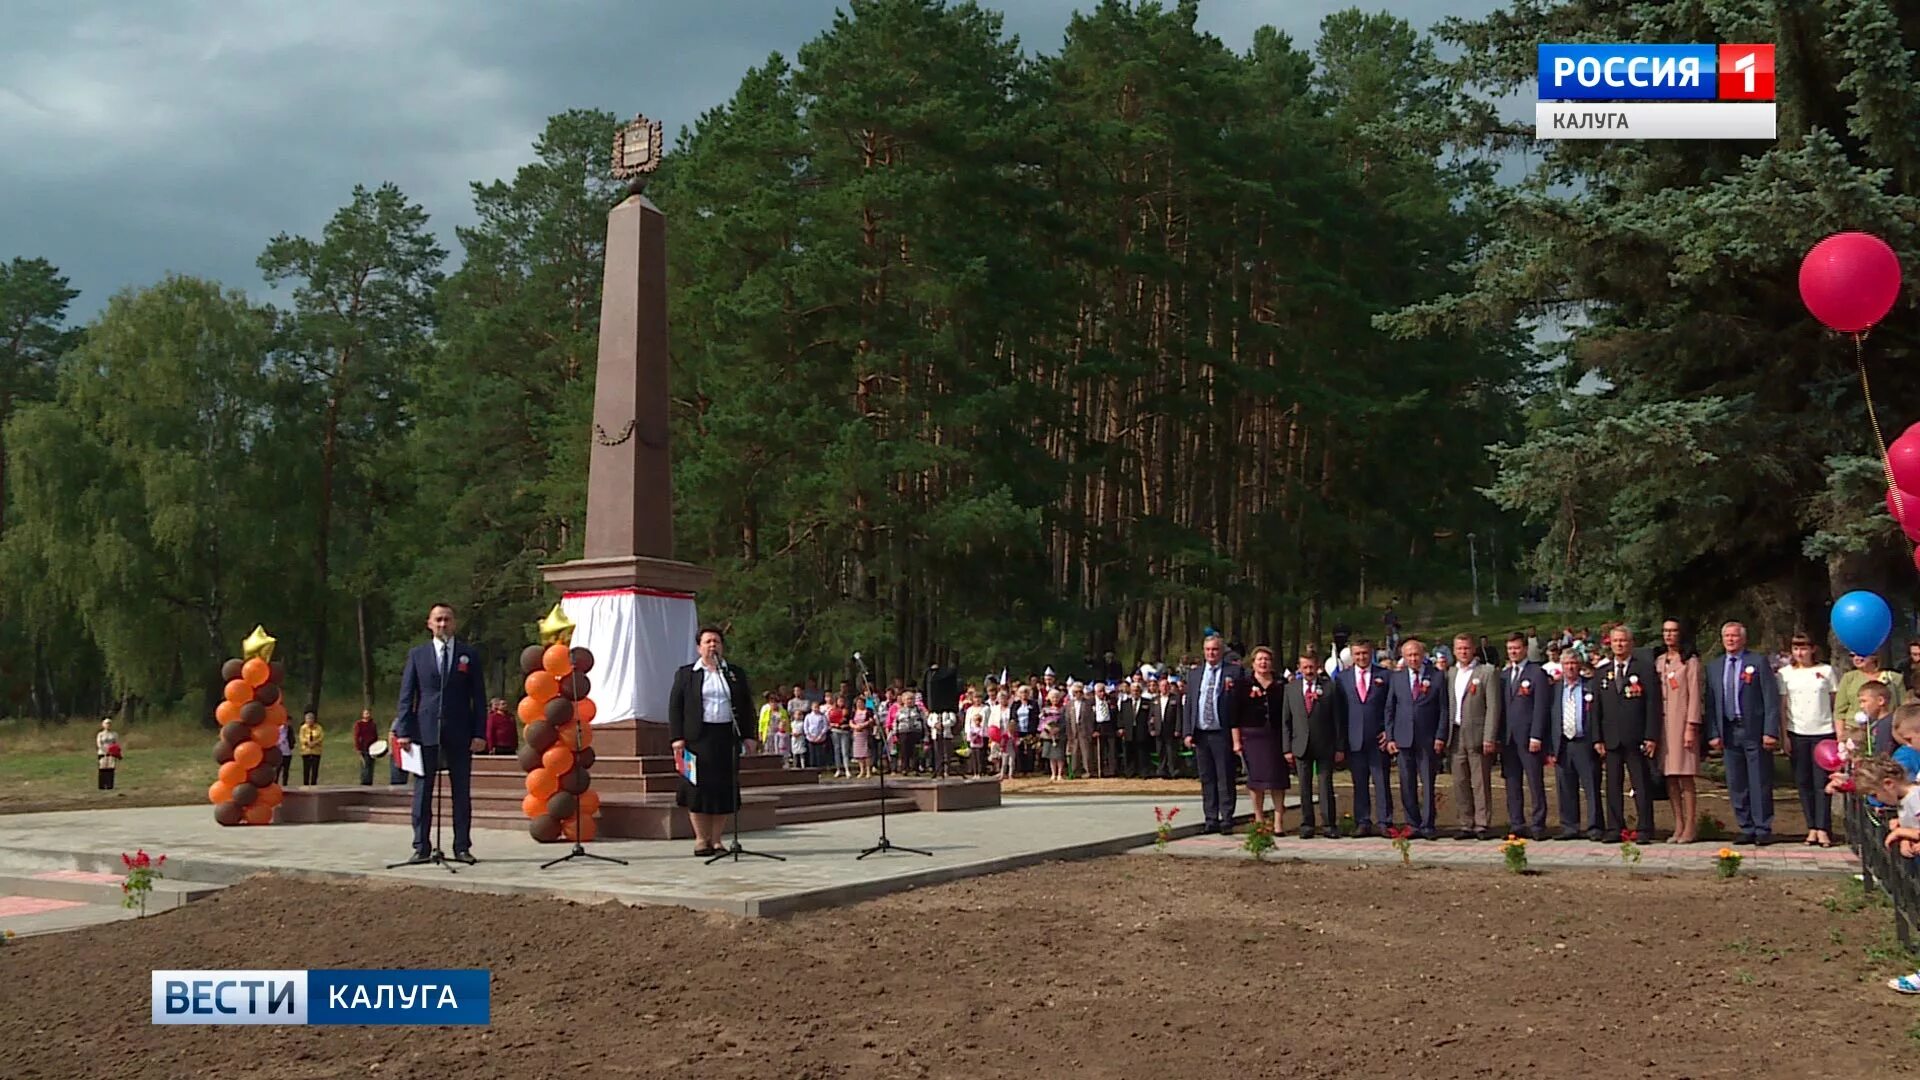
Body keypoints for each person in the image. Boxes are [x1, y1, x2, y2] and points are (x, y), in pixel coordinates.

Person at [392, 602, 489, 864]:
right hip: (425, 732)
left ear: (454, 623)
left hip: (460, 731)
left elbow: (479, 698)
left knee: (461, 791)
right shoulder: (417, 655)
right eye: (438, 620)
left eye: (447, 619)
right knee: (423, 792)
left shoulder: (468, 655)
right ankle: (422, 845)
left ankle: (462, 847)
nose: (443, 624)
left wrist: (479, 732)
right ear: (429, 624)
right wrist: (404, 731)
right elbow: (407, 696)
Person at [667, 626, 759, 857]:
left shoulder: (734, 673)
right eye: (707, 642)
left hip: (726, 737)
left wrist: (749, 736)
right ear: (699, 647)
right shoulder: (687, 674)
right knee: (697, 788)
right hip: (696, 739)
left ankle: (717, 840)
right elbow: (675, 707)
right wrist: (677, 738)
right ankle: (701, 839)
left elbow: (747, 706)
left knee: (723, 789)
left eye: (716, 641)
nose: (712, 645)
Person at [1703, 620, 1781, 845]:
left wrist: (1770, 731)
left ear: (1743, 638)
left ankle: (1763, 827)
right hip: (1728, 730)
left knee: (1759, 780)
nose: (1730, 639)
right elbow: (1711, 702)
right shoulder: (1715, 666)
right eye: (1727, 636)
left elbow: (1770, 699)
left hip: (1753, 730)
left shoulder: (1757, 662)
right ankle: (1745, 827)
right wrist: (1714, 733)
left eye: (1735, 636)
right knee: (1736, 782)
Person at [1593, 625, 1661, 844]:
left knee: (1640, 784)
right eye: (1615, 641)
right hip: (1611, 738)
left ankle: (1644, 828)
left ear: (1631, 643)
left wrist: (1651, 736)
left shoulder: (1644, 669)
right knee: (1612, 785)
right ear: (1610, 644)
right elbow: (1596, 709)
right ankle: (1614, 828)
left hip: (1636, 736)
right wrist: (1597, 738)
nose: (1619, 645)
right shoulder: (1602, 672)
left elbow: (1653, 704)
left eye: (1623, 641)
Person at [1777, 631, 1838, 847]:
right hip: (1797, 732)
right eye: (1796, 648)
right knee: (1803, 782)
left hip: (1823, 732)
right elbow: (1783, 707)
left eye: (1804, 648)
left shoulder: (1826, 671)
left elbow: (1834, 702)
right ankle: (1811, 826)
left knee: (1821, 782)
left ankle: (1823, 828)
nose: (1800, 653)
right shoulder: (1785, 674)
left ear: (1813, 649)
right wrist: (1784, 736)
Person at [1443, 633, 1503, 841]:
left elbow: (1493, 707)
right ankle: (1465, 823)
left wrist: (1489, 736)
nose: (1463, 652)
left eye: (1466, 648)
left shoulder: (1486, 672)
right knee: (1459, 781)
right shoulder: (1450, 673)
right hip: (1456, 733)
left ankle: (1482, 823)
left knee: (1480, 782)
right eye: (1459, 649)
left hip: (1477, 734)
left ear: (1474, 649)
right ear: (1454, 650)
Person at [1385, 638, 1446, 840]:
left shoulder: (1436, 677)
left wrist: (1440, 736)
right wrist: (1391, 736)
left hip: (1427, 738)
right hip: (1403, 739)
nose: (1413, 658)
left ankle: (1428, 824)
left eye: (1416, 654)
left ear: (1423, 655)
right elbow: (1390, 708)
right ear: (1403, 657)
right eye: (1409, 655)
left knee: (1428, 782)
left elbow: (1444, 710)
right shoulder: (1397, 678)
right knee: (1406, 783)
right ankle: (1413, 823)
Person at [1184, 633, 1244, 835]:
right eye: (1208, 650)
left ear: (1221, 651)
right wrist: (1187, 731)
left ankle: (1227, 817)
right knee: (1206, 777)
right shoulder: (1194, 674)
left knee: (1225, 777)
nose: (1211, 653)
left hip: (1222, 732)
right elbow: (1190, 704)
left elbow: (1238, 703)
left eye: (1215, 649)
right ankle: (1210, 818)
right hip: (1201, 733)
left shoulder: (1233, 672)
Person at [1283, 649, 1344, 838]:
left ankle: (1329, 824)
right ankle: (1307, 824)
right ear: (1299, 668)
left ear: (1318, 667)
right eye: (1305, 667)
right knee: (1304, 787)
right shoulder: (1291, 689)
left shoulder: (1330, 687)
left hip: (1325, 745)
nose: (1309, 671)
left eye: (1312, 667)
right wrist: (1287, 748)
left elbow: (1338, 720)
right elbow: (1286, 721)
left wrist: (1340, 747)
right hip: (1301, 745)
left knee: (1326, 786)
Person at [1335, 638, 1393, 837]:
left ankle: (1385, 821)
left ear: (1372, 653)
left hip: (1378, 739)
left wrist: (1389, 731)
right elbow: (1340, 712)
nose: (1361, 657)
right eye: (1357, 654)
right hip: (1354, 739)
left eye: (1365, 653)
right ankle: (1362, 821)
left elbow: (1390, 706)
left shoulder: (1385, 675)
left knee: (1382, 782)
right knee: (1359, 783)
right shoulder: (1342, 678)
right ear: (1352, 655)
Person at [1654, 618, 1705, 843]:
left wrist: (1691, 726)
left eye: (1673, 631)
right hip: (1663, 727)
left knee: (1685, 776)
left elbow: (1695, 695)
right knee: (1670, 778)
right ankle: (1678, 824)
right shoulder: (1659, 661)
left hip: (1682, 724)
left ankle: (1691, 825)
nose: (1669, 635)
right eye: (1665, 631)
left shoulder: (1690, 662)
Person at [1499, 632, 1552, 839]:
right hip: (1508, 739)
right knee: (1512, 783)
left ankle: (1538, 825)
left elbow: (1541, 707)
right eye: (1510, 648)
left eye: (1517, 648)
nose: (1513, 652)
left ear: (1524, 649)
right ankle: (1516, 824)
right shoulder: (1503, 675)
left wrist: (1537, 735)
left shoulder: (1536, 672)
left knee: (1534, 783)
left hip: (1529, 738)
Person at [1234, 647, 1290, 836]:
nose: (1263, 663)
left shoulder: (1281, 684)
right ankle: (1259, 819)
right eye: (1260, 659)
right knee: (1256, 782)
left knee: (1277, 781)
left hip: (1275, 737)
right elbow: (1235, 716)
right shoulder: (1243, 685)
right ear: (1253, 662)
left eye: (1266, 659)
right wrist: (1236, 742)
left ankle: (1278, 821)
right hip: (1252, 737)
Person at [1547, 654, 1602, 841]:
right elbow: (1549, 719)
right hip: (1562, 744)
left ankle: (1595, 827)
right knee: (1565, 787)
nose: (1570, 667)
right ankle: (1569, 826)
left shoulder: (1591, 686)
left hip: (1585, 743)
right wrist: (1551, 748)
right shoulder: (1553, 689)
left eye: (1573, 663)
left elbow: (1599, 715)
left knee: (1592, 787)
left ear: (1579, 665)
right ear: (1561, 666)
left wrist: (1598, 740)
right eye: (1567, 663)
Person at [1040, 689, 1067, 781]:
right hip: (1048, 735)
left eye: (1056, 697)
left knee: (1059, 755)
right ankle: (1053, 774)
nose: (1055, 699)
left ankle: (1060, 774)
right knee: (1051, 756)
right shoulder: (1045, 709)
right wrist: (1048, 727)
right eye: (1053, 697)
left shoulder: (1063, 709)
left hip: (1059, 734)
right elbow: (1042, 721)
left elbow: (1065, 721)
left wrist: (1057, 729)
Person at [297, 709, 324, 786]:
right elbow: (301, 737)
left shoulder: (318, 727)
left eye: (311, 719)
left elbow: (321, 737)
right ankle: (305, 784)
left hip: (316, 751)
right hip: (306, 751)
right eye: (308, 719)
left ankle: (314, 784)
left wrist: (315, 743)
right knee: (306, 769)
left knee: (315, 769)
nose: (310, 720)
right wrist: (307, 742)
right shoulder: (303, 728)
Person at [352, 708, 378, 785]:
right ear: (362, 715)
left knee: (371, 765)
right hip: (363, 747)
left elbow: (375, 735)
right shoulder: (359, 724)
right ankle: (364, 782)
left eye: (368, 713)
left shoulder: (373, 724)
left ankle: (370, 781)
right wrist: (358, 748)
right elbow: (356, 736)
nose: (367, 715)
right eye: (366, 713)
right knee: (365, 765)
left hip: (372, 748)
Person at [95, 718, 119, 791]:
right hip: (102, 753)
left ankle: (109, 785)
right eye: (106, 723)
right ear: (103, 725)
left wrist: (113, 751)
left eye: (109, 724)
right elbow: (99, 744)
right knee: (102, 768)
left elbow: (116, 743)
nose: (108, 725)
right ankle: (102, 785)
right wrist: (104, 750)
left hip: (111, 754)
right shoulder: (100, 734)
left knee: (110, 769)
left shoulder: (114, 734)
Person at [275, 720, 293, 786]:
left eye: (289, 722)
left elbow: (292, 739)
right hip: (279, 753)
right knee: (277, 770)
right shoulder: (279, 729)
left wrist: (291, 745)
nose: (287, 723)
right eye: (286, 721)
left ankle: (285, 784)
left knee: (286, 771)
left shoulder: (290, 730)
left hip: (288, 753)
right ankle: (275, 784)